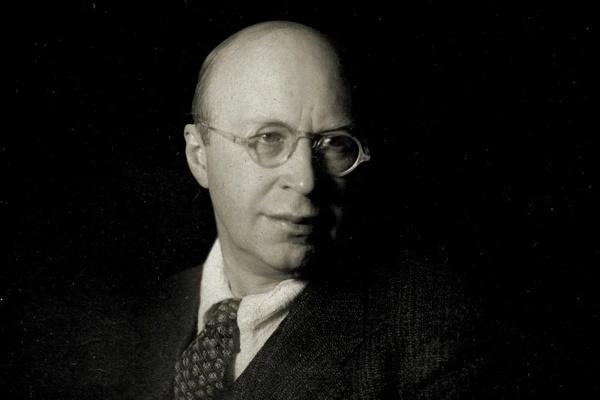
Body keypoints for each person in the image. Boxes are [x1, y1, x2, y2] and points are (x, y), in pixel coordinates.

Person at [4, 21, 488, 400]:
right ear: (199, 156)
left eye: (332, 144)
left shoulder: (430, 332)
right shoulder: (134, 322)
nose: (305, 180)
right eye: (268, 139)